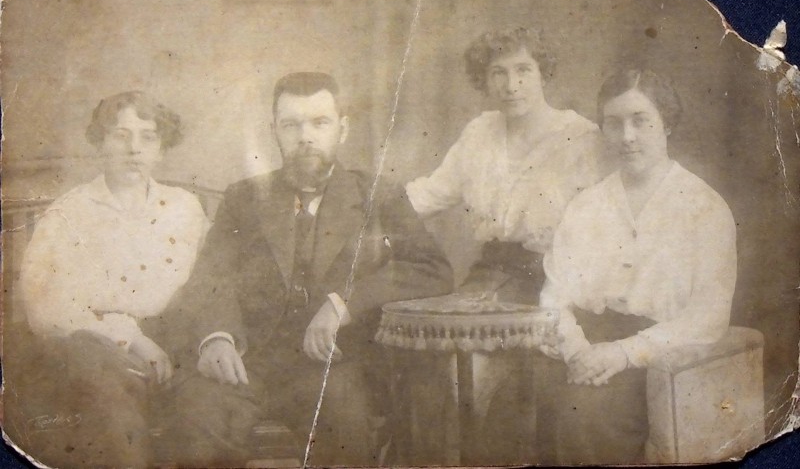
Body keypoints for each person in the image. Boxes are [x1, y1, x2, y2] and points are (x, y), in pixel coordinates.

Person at [167, 72, 453, 466]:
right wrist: (217, 337)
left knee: (348, 427)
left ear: (342, 129)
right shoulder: (243, 198)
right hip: (247, 362)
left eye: (319, 123)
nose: (305, 137)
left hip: (331, 368)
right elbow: (209, 277)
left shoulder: (378, 195)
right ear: (275, 131)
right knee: (197, 420)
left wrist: (342, 303)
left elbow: (432, 268)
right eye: (291, 125)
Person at [536, 68, 737, 464]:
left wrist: (623, 353)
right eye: (614, 123)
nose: (627, 136)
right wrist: (577, 351)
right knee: (513, 404)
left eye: (640, 121)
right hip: (582, 346)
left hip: (655, 359)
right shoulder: (586, 206)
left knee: (584, 417)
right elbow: (553, 296)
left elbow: (708, 316)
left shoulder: (703, 206)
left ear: (667, 123)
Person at [16, 91, 208, 467]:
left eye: (148, 137)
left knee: (204, 411)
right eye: (121, 135)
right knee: (106, 394)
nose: (134, 149)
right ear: (101, 142)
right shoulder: (69, 212)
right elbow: (45, 310)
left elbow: (210, 283)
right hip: (96, 347)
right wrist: (132, 339)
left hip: (174, 345)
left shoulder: (185, 208)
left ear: (161, 148)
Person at [406, 25, 607, 302]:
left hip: (562, 277)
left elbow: (607, 222)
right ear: (485, 80)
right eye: (498, 73)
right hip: (491, 275)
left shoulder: (582, 138)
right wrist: (371, 211)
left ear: (543, 74)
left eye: (523, 70)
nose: (511, 86)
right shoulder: (480, 133)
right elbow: (431, 193)